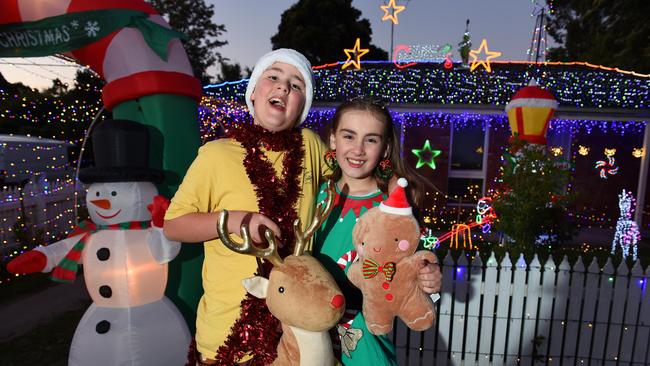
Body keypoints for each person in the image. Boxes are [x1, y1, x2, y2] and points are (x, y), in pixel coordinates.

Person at [163, 48, 328, 365]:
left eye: (297, 85)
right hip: (228, 336)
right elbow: (174, 224)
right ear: (254, 92)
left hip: (295, 334)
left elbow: (354, 181)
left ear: (302, 108)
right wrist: (237, 221)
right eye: (274, 77)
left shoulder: (312, 147)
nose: (283, 87)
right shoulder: (216, 154)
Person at [312, 97, 442, 365]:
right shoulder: (315, 195)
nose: (358, 149)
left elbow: (411, 268)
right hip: (311, 333)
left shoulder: (393, 209)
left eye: (370, 140)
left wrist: (429, 279)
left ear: (385, 148)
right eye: (349, 136)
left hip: (364, 343)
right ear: (333, 140)